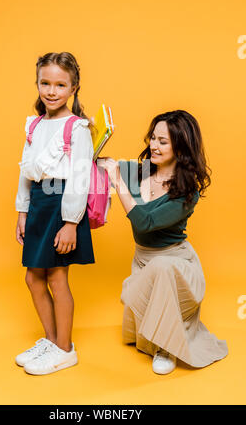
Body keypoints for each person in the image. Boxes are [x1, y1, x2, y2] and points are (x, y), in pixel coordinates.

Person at [98, 110, 228, 375]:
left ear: (180, 147)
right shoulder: (140, 171)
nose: (154, 146)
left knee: (162, 268)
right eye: (153, 139)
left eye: (163, 141)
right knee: (151, 275)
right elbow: (100, 165)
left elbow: (144, 221)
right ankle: (156, 335)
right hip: (143, 260)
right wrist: (89, 137)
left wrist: (118, 181)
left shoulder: (186, 192)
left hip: (176, 264)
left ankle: (166, 347)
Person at [14, 52, 95, 375]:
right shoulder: (33, 124)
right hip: (38, 204)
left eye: (60, 85)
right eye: (44, 83)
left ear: (73, 88)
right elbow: (25, 171)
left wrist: (71, 223)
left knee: (56, 278)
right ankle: (51, 341)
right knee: (33, 277)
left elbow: (80, 178)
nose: (51, 91)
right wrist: (22, 211)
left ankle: (65, 348)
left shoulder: (77, 128)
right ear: (37, 84)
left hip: (62, 206)